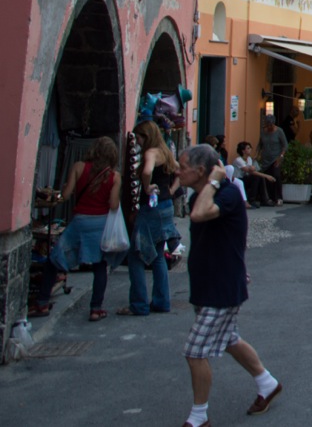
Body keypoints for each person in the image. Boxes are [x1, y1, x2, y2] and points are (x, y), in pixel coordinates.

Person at [177, 144, 282, 426]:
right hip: (208, 284)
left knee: (195, 352)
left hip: (221, 288)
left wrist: (214, 181)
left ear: (201, 170)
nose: (178, 171)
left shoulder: (228, 194)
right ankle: (267, 383)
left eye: (183, 167)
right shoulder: (200, 195)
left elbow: (199, 215)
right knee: (229, 339)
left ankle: (199, 417)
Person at [29, 137, 124, 321]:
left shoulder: (79, 167)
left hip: (80, 221)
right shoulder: (115, 177)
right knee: (100, 265)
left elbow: (65, 195)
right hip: (101, 224)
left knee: (54, 259)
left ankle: (42, 302)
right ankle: (96, 309)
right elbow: (113, 205)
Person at [119, 121, 181, 316]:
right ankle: (162, 301)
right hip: (166, 205)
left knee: (136, 255)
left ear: (146, 136)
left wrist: (146, 187)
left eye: (138, 137)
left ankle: (139, 304)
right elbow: (180, 171)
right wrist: (171, 190)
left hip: (152, 208)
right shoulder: (166, 152)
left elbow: (146, 172)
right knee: (158, 255)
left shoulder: (151, 153)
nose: (137, 141)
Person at [257, 115, 288, 207]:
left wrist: (281, 156)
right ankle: (270, 198)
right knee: (267, 177)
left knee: (276, 176)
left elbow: (285, 145)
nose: (269, 127)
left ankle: (279, 198)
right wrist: (257, 154)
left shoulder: (279, 131)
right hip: (265, 159)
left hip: (276, 158)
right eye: (268, 125)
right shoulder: (263, 132)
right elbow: (260, 144)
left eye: (271, 125)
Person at [233, 142, 274, 209]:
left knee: (259, 177)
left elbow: (253, 171)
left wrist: (254, 169)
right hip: (239, 179)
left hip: (245, 178)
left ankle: (264, 199)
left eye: (250, 148)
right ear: (243, 151)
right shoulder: (238, 160)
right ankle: (252, 200)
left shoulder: (249, 159)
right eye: (248, 148)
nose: (250, 150)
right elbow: (250, 171)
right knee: (257, 176)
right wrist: (267, 176)